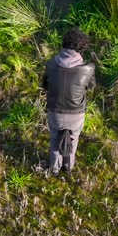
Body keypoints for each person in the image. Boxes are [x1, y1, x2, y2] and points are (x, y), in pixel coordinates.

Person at [42, 27, 96, 176]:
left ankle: (54, 169)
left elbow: (45, 85)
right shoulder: (88, 68)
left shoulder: (50, 64)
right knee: (73, 139)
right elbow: (91, 86)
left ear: (64, 43)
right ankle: (68, 167)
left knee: (54, 140)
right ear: (82, 47)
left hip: (54, 112)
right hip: (76, 115)